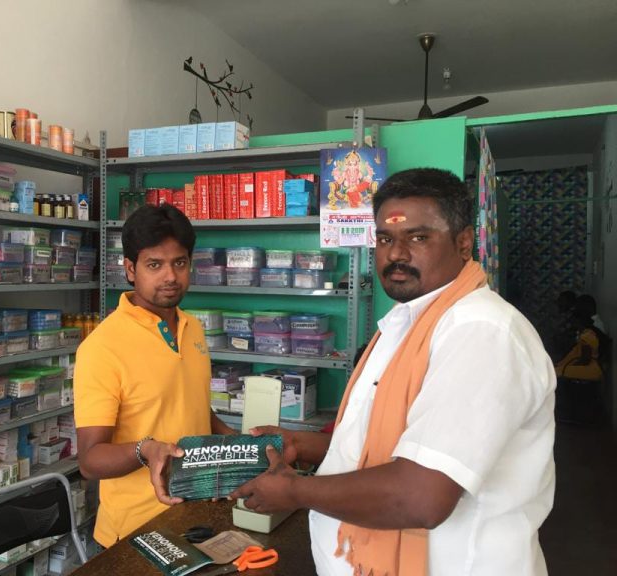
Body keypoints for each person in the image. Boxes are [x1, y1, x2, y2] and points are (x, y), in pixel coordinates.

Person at [230, 168, 556, 576]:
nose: (396, 253)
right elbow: (379, 437)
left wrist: (294, 490)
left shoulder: (481, 333)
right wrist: (303, 444)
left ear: (463, 243)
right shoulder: (408, 322)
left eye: (418, 237)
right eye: (385, 238)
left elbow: (422, 497)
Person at [74, 204, 233, 548]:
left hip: (196, 516)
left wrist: (240, 445)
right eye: (154, 265)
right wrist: (145, 450)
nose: (170, 277)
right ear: (130, 269)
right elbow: (89, 461)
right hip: (135, 533)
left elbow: (191, 405)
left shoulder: (193, 328)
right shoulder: (103, 346)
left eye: (179, 263)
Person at [555, 300, 603, 381]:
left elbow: (585, 360)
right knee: (557, 369)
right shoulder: (586, 333)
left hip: (589, 369)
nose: (571, 323)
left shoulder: (587, 336)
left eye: (572, 321)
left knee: (557, 372)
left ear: (578, 321)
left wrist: (570, 367)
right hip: (586, 366)